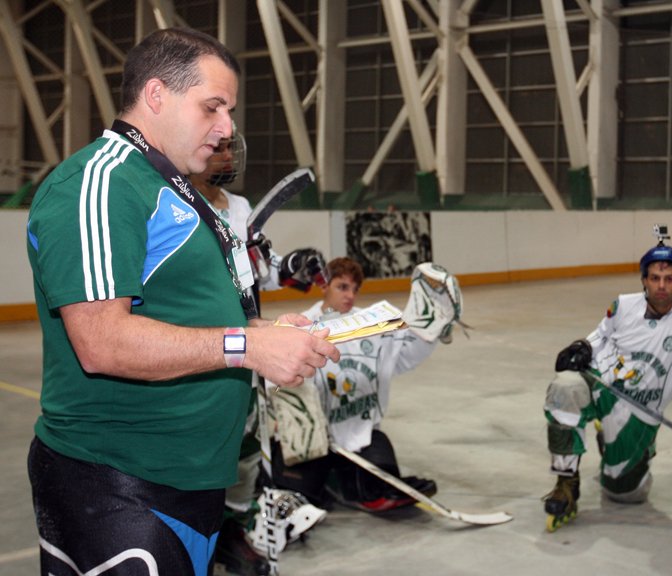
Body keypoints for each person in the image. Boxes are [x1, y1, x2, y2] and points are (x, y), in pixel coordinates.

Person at [24, 27, 339, 574]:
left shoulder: (172, 187)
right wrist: (246, 347)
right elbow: (101, 341)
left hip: (185, 479)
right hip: (117, 483)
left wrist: (264, 334)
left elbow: (188, 310)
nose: (227, 128)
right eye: (212, 107)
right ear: (155, 95)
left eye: (230, 111)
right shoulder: (102, 184)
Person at [189, 129, 327, 575]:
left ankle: (233, 531)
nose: (226, 155)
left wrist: (289, 267)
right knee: (203, 450)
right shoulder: (178, 204)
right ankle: (197, 537)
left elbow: (260, 270)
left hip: (247, 350)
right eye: (218, 147)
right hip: (200, 352)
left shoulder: (241, 207)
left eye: (230, 147)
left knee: (246, 447)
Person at [542, 233, 672, 532]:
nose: (661, 286)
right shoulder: (623, 305)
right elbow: (599, 337)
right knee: (564, 387)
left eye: (669, 279)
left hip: (642, 408)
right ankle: (566, 481)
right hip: (603, 385)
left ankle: (615, 442)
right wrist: (582, 348)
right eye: (654, 278)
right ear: (644, 280)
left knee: (624, 493)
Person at [270, 257, 461, 512]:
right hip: (314, 440)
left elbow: (402, 359)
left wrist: (429, 334)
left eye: (354, 289)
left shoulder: (373, 323)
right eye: (342, 287)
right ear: (324, 286)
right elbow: (277, 375)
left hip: (361, 437)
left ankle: (352, 485)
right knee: (296, 497)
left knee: (378, 482)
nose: (350, 295)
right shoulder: (303, 325)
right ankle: (329, 482)